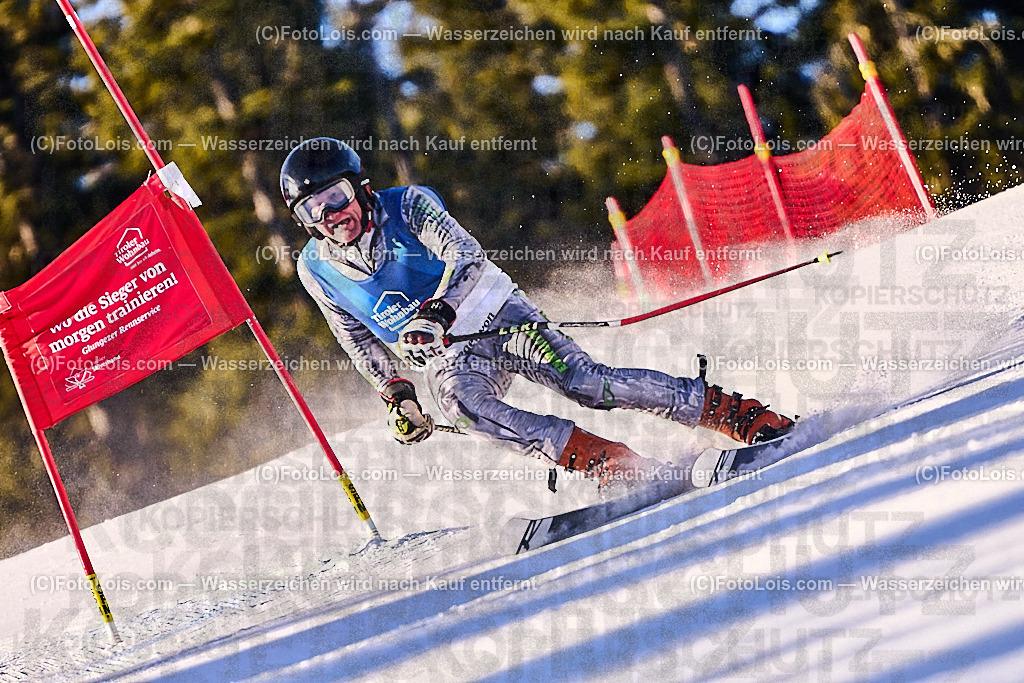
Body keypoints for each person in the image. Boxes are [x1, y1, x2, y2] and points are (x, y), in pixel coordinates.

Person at [281, 138, 794, 489]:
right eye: (313, 210)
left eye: (336, 197)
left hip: (499, 316)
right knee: (465, 409)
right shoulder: (316, 268)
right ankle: (612, 464)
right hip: (449, 356)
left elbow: (466, 256)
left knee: (590, 385)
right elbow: (355, 338)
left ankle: (733, 414)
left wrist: (438, 312)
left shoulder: (408, 206)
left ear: (360, 189)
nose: (331, 216)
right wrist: (398, 397)